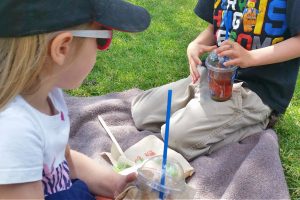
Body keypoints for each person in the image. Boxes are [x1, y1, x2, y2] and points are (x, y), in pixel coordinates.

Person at [0, 0, 150, 199]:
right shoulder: (14, 131)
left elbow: (64, 160)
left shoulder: (49, 94)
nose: (100, 49)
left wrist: (115, 184)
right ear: (62, 47)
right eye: (102, 37)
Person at [131, 0, 300, 161]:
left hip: (257, 88)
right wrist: (195, 44)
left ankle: (262, 120)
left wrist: (250, 57)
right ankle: (201, 111)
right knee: (141, 111)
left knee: (174, 137)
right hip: (212, 75)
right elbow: (215, 27)